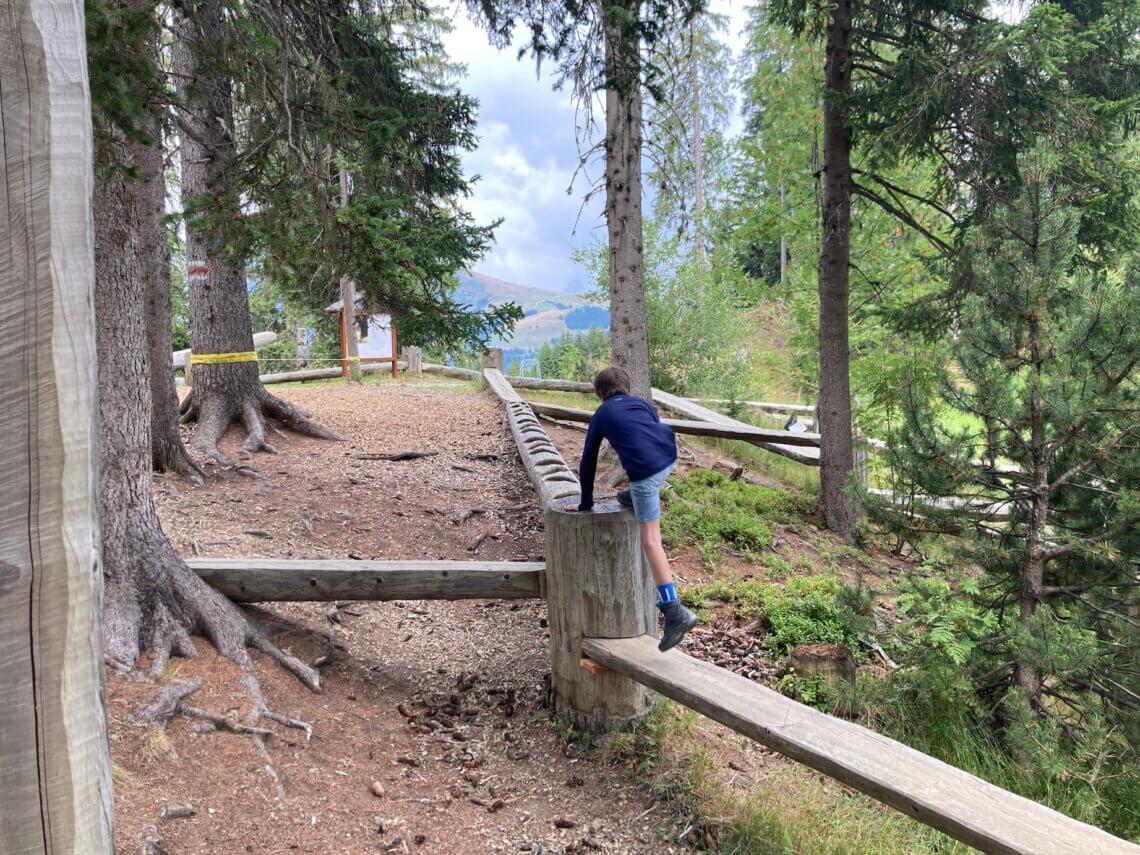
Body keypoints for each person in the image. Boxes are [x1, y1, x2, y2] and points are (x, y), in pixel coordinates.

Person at [564, 366, 699, 652]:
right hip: (669, 459)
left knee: (651, 542)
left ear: (600, 395)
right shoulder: (643, 404)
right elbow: (647, 435)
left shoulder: (602, 414)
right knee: (641, 491)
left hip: (646, 476)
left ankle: (675, 610)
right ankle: (633, 497)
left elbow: (588, 461)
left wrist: (586, 502)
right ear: (626, 388)